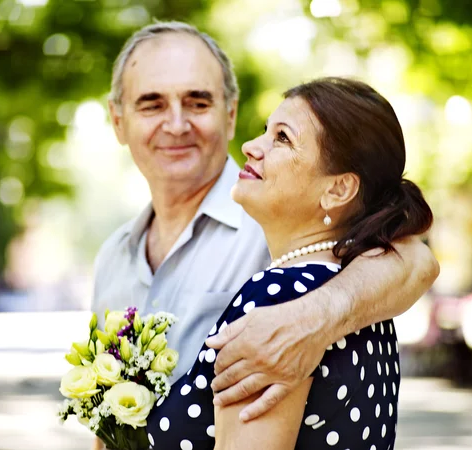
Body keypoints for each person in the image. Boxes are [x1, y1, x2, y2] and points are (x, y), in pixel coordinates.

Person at [91, 21, 439, 448]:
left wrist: (311, 317)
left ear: (230, 113)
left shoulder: (282, 231)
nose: (177, 124)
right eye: (152, 105)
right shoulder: (111, 258)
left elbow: (415, 259)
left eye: (197, 103)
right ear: (118, 121)